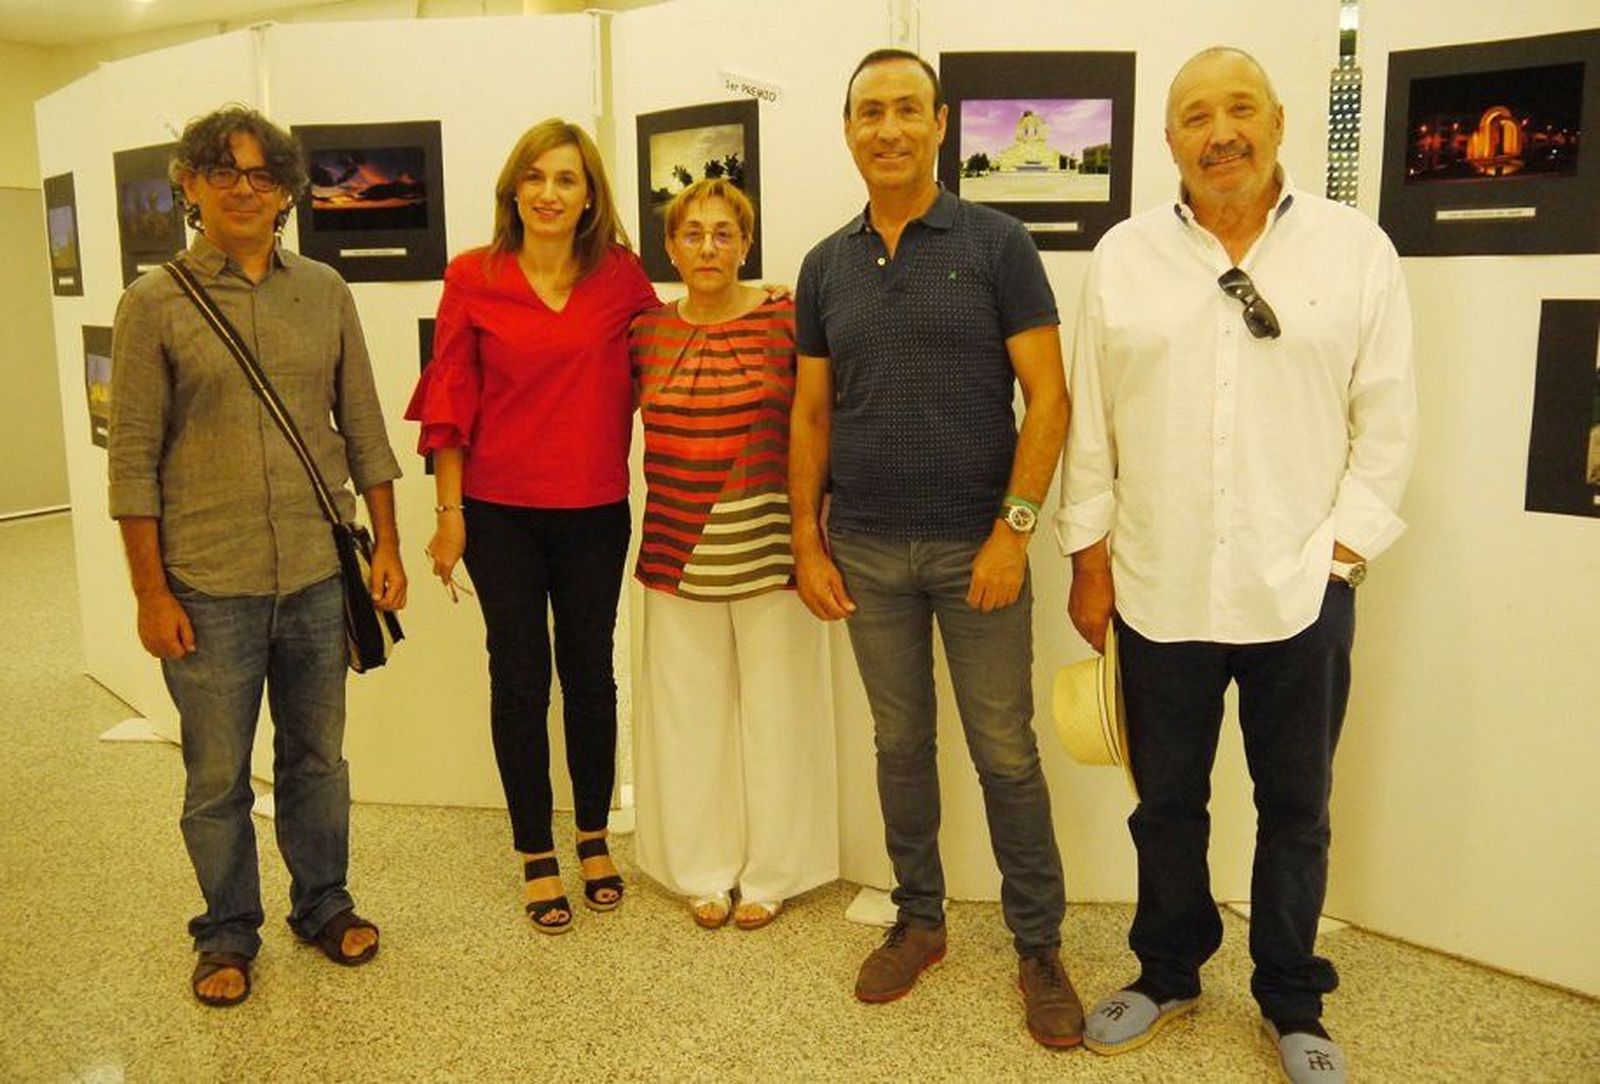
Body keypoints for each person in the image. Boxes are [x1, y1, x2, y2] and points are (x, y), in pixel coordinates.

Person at [1060, 48, 1416, 1083]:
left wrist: (1339, 557)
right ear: (1167, 139)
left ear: (1278, 122)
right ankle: (1167, 971)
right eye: (1196, 116)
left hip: (1298, 588)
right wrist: (1088, 561)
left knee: (1295, 806)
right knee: (1163, 803)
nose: (1220, 132)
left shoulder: (1355, 251)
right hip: (1156, 584)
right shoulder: (1122, 257)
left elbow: (1386, 421)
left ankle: (1292, 995)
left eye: (1240, 109)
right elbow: (1091, 428)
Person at [790, 49, 1080, 1047]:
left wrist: (1015, 530)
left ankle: (1037, 944)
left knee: (1004, 753)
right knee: (900, 748)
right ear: (846, 129)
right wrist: (804, 538)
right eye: (869, 112)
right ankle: (918, 920)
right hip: (864, 549)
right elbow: (813, 414)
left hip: (978, 551)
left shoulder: (997, 243)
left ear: (941, 122)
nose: (888, 129)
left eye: (907, 109)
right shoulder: (825, 264)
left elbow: (1049, 398)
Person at [108, 105, 406, 1007]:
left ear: (285, 193)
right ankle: (227, 931)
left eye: (263, 175)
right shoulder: (152, 303)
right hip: (208, 585)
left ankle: (323, 904)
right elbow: (132, 464)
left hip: (318, 575)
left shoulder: (325, 290)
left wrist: (386, 541)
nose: (246, 189)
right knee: (215, 776)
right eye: (224, 172)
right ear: (190, 185)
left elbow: (363, 425)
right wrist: (149, 594)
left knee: (319, 760)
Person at [406, 119, 655, 934]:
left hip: (593, 511)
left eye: (568, 179)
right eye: (536, 177)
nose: (550, 193)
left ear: (590, 197)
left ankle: (591, 836)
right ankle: (533, 854)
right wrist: (449, 518)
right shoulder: (472, 276)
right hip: (499, 513)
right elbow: (449, 400)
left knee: (591, 676)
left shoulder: (620, 277)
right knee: (518, 678)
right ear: (514, 187)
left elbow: (670, 358)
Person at [630, 178, 838, 931]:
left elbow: (823, 420)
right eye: (693, 234)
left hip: (776, 552)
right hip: (675, 555)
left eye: (724, 233)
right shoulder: (645, 331)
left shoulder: (787, 318)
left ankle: (773, 873)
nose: (708, 247)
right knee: (691, 722)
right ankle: (702, 869)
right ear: (672, 247)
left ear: (747, 243)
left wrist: (819, 530)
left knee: (777, 717)